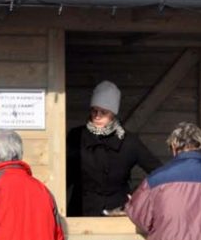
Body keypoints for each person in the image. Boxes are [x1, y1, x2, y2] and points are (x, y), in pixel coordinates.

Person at [67, 80, 161, 216]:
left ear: (113, 113)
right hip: (81, 212)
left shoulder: (128, 141)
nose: (97, 116)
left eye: (103, 112)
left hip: (116, 213)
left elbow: (158, 171)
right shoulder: (77, 136)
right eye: (94, 110)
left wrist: (139, 196)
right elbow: (64, 175)